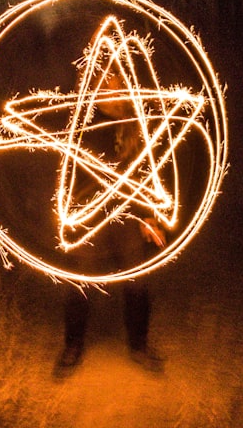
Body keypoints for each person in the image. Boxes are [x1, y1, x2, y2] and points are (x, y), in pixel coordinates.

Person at [53, 70, 167, 378]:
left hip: (127, 215)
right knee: (79, 281)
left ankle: (139, 346)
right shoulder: (83, 117)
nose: (109, 89)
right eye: (102, 84)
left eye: (114, 84)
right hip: (90, 215)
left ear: (123, 86)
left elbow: (145, 169)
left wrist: (149, 215)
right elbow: (70, 165)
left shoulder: (134, 120)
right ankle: (73, 346)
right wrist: (71, 212)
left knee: (137, 281)